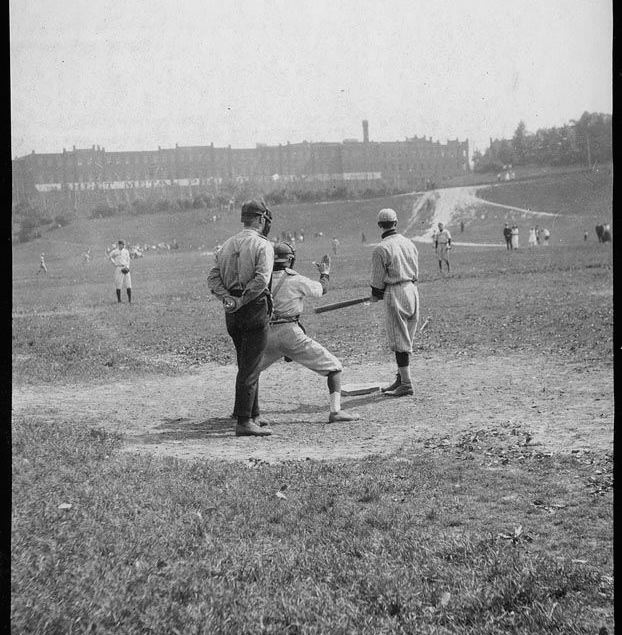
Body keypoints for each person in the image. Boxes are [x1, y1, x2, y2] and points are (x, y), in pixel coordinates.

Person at [259, 242, 359, 423]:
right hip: (290, 332)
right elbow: (321, 290)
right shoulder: (295, 279)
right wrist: (325, 273)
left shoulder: (262, 279)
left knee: (249, 373)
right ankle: (335, 411)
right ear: (290, 260)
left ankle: (245, 413)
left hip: (266, 333)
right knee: (334, 368)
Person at [207, 200, 274, 437]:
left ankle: (252, 413)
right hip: (253, 307)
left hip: (232, 312)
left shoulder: (226, 245)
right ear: (260, 219)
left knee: (245, 362)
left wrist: (228, 299)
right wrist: (243, 300)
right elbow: (260, 280)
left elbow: (213, 278)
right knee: (251, 365)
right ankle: (244, 421)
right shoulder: (262, 245)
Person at [370, 208, 420, 397]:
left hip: (395, 293)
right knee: (407, 338)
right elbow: (416, 272)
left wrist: (376, 294)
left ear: (379, 225)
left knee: (399, 341)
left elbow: (377, 282)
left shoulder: (381, 248)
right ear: (396, 223)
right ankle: (400, 379)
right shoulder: (409, 243)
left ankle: (406, 384)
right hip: (412, 290)